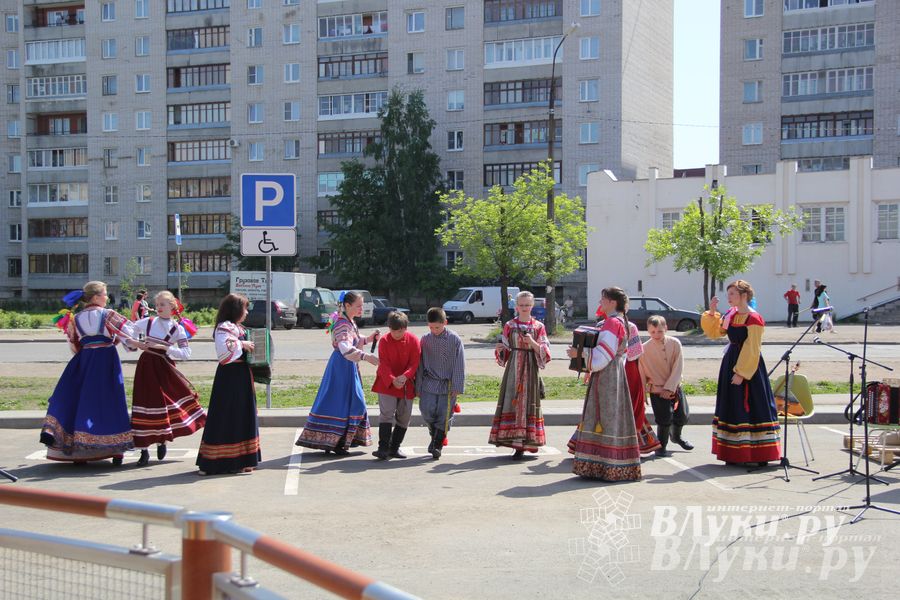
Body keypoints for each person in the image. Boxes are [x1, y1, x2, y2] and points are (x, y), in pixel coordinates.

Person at [40, 281, 139, 464]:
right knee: (110, 399)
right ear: (96, 297)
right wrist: (135, 339)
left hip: (84, 362)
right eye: (105, 294)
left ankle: (81, 452)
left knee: (82, 400)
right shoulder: (108, 314)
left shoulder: (75, 318)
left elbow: (75, 346)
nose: (107, 297)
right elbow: (130, 336)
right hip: (105, 362)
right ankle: (116, 450)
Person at [701, 280, 781, 466]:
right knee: (732, 404)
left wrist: (742, 372)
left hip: (748, 366)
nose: (729, 298)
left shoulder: (754, 318)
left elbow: (752, 348)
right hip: (730, 360)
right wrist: (712, 312)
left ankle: (759, 454)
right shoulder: (731, 314)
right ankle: (733, 452)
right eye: (728, 294)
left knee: (752, 404)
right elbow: (716, 333)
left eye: (733, 294)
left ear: (744, 296)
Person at [565, 287, 641, 481]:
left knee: (604, 416)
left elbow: (603, 356)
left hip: (607, 375)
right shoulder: (621, 321)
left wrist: (579, 353)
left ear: (612, 302)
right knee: (613, 416)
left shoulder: (611, 323)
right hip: (616, 372)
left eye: (603, 299)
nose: (600, 302)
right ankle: (614, 465)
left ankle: (604, 466)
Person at [295, 291, 378, 454]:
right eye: (359, 305)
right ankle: (336, 441)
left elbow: (354, 338)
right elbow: (345, 347)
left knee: (347, 403)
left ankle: (337, 441)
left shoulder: (349, 321)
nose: (362, 308)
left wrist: (368, 339)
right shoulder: (342, 323)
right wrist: (366, 356)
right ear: (347, 306)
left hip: (347, 367)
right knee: (344, 403)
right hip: (341, 367)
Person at [131, 291, 206, 467]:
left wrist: (165, 348)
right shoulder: (148, 322)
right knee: (144, 403)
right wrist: (136, 342)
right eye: (157, 305)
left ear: (172, 306)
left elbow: (186, 354)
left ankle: (162, 441)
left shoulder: (177, 328)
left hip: (164, 367)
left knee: (162, 403)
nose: (158, 308)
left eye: (162, 304)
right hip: (146, 366)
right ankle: (143, 450)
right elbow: (130, 329)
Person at [196, 294, 260, 475]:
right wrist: (242, 343)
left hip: (241, 376)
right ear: (235, 310)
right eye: (244, 308)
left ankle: (243, 460)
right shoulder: (224, 327)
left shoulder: (237, 327)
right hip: (229, 378)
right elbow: (224, 352)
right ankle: (216, 463)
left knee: (242, 416)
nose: (247, 312)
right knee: (226, 416)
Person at [489, 291, 550, 459]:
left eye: (527, 305)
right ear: (516, 306)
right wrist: (500, 351)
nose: (524, 308)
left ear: (532, 306)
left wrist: (532, 343)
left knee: (528, 402)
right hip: (514, 369)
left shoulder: (538, 327)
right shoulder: (509, 325)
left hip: (530, 368)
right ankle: (516, 444)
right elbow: (505, 351)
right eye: (521, 305)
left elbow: (545, 351)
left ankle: (528, 441)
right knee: (513, 401)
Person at [639, 315, 692, 457]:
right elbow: (642, 372)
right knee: (664, 419)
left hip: (674, 387)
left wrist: (670, 387)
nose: (656, 335)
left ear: (666, 329)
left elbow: (678, 366)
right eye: (653, 332)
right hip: (657, 390)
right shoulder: (644, 349)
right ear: (648, 331)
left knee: (682, 416)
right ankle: (661, 445)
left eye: (660, 331)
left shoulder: (675, 343)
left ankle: (676, 436)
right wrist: (643, 393)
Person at [417, 307, 466, 460]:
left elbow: (460, 363)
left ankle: (437, 444)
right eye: (431, 327)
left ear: (445, 322)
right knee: (427, 411)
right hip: (429, 382)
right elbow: (420, 363)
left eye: (437, 327)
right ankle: (434, 435)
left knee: (444, 415)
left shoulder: (454, 339)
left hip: (448, 384)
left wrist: (457, 386)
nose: (434, 330)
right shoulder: (425, 339)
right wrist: (418, 385)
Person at [371, 311, 420, 460]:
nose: (397, 334)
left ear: (405, 328)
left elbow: (415, 363)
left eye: (400, 331)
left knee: (404, 417)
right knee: (386, 414)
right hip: (387, 383)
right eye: (393, 331)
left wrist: (405, 377)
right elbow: (383, 364)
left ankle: (394, 448)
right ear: (389, 328)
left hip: (406, 382)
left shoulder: (413, 340)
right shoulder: (385, 341)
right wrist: (393, 379)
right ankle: (383, 448)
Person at [623, 316, 661, 455]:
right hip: (608, 369)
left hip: (627, 368)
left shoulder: (630, 326)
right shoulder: (602, 324)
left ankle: (632, 444)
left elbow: (635, 355)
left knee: (630, 406)